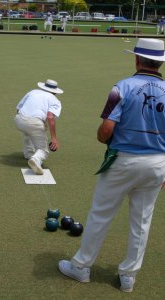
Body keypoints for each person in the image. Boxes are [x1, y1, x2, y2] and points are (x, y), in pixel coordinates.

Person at [58, 38, 165, 293]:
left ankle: (82, 267)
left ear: (136, 59)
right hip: (157, 163)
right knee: (141, 221)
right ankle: (129, 275)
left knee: (101, 213)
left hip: (123, 161)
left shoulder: (122, 87)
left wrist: (101, 136)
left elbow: (106, 130)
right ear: (160, 63)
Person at [14, 79, 63, 175]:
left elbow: (19, 108)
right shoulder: (55, 100)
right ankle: (35, 159)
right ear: (55, 92)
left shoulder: (33, 92)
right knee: (43, 150)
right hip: (34, 123)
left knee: (27, 130)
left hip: (18, 119)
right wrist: (54, 139)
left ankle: (28, 154)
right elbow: (50, 117)